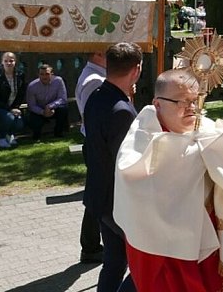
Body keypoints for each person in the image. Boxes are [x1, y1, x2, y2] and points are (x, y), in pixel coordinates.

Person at [114, 69, 223, 292]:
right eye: (181, 101)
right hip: (169, 250)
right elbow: (132, 177)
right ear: (157, 103)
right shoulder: (141, 137)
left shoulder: (211, 131)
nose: (191, 108)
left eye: (194, 100)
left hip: (215, 239)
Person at [83, 42, 141, 292]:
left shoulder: (97, 95)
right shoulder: (121, 111)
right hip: (116, 201)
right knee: (142, 265)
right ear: (137, 70)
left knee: (115, 262)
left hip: (99, 194)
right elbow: (127, 163)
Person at [75, 50, 107, 264]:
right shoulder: (94, 80)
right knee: (97, 196)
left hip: (97, 143)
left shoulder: (96, 76)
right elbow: (94, 116)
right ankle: (90, 246)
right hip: (97, 144)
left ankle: (92, 244)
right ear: (98, 53)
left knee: (98, 194)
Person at [25, 64, 69, 140]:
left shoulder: (58, 81)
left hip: (53, 108)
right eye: (42, 74)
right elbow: (31, 105)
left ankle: (58, 133)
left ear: (52, 74)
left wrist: (50, 106)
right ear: (38, 75)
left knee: (63, 109)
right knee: (33, 118)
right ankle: (36, 136)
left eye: (47, 74)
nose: (44, 77)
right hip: (39, 110)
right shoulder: (32, 86)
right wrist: (43, 112)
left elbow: (62, 98)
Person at [0, 52, 25, 148]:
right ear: (2, 62)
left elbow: (21, 93)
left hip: (12, 106)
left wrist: (16, 108)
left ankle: (9, 135)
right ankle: (0, 137)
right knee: (9, 118)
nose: (8, 63)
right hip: (0, 106)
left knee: (19, 122)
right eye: (6, 61)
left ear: (15, 62)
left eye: (11, 61)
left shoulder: (20, 74)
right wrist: (9, 109)